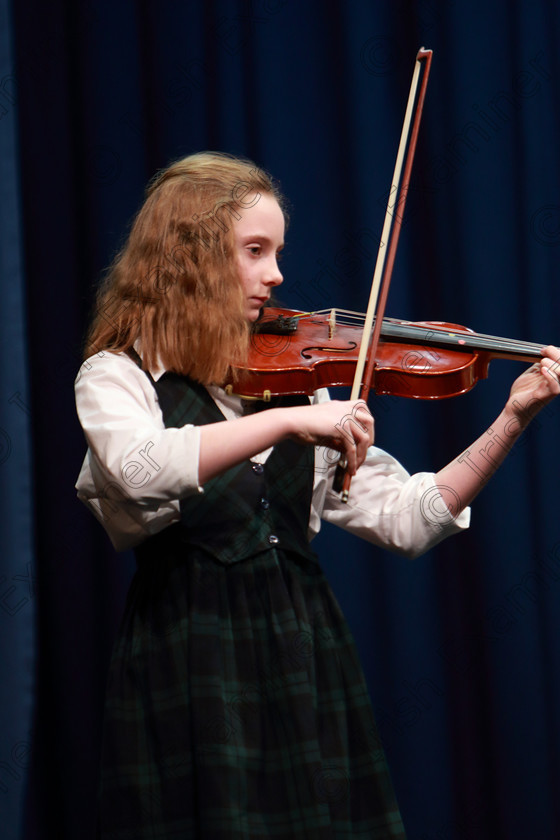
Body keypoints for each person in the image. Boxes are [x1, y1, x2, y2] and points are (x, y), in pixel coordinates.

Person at [75, 151, 560, 839]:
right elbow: (138, 468)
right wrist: (288, 420)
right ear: (190, 257)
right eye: (254, 251)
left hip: (304, 642)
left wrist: (512, 418)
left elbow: (407, 519)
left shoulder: (301, 379)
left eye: (276, 251)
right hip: (191, 645)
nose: (275, 275)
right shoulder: (117, 376)